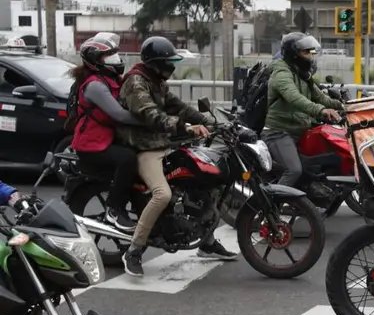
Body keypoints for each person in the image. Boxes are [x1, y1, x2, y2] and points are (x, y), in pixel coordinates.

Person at [116, 36, 237, 277]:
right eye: (168, 62)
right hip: (144, 147)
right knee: (163, 195)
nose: (172, 68)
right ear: (155, 63)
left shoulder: (157, 81)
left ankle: (206, 241)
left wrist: (214, 123)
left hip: (163, 142)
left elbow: (180, 107)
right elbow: (150, 114)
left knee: (203, 182)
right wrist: (185, 127)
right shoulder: (136, 82)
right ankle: (134, 250)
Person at [68, 32, 140, 232]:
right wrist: (151, 120)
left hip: (105, 139)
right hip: (91, 144)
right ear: (95, 62)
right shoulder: (95, 86)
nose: (115, 59)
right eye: (109, 56)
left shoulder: (112, 78)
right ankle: (114, 208)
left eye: (115, 55)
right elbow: (120, 115)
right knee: (127, 159)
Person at [263, 32, 343, 193]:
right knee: (294, 170)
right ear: (293, 54)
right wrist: (321, 110)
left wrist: (345, 106)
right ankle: (272, 208)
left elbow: (321, 97)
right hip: (279, 132)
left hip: (299, 130)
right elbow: (295, 98)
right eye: (306, 52)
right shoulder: (281, 74)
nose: (310, 56)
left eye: (311, 52)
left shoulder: (301, 73)